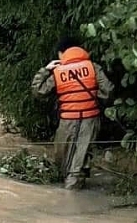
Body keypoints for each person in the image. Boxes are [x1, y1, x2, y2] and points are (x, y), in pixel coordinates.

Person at [31, 37, 114, 190]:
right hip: (90, 120)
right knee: (80, 159)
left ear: (61, 53)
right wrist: (93, 95)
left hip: (67, 120)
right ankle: (74, 189)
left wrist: (45, 69)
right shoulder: (93, 67)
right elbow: (108, 91)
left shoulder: (57, 71)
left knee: (62, 159)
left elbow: (39, 91)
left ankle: (69, 196)